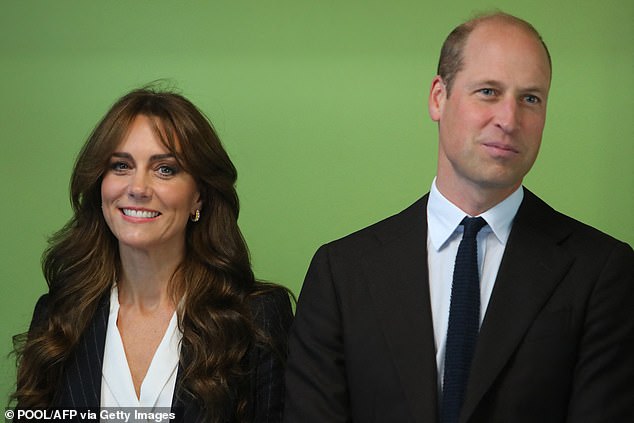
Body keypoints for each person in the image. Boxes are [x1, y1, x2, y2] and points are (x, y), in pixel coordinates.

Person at [284, 12, 634, 423]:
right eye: (488, 91)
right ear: (438, 97)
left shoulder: (602, 271)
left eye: (531, 99)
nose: (509, 119)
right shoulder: (341, 272)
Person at [12, 87, 293, 422]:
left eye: (165, 169)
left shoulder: (257, 317)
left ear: (198, 197)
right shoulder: (59, 315)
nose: (138, 188)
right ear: (99, 183)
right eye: (120, 165)